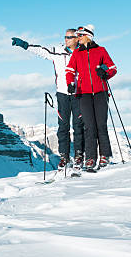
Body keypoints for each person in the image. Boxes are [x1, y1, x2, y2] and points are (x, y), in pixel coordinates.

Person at [12, 29, 84, 171]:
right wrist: (25, 45)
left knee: (78, 126)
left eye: (69, 37)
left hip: (79, 94)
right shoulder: (57, 51)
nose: (66, 39)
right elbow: (41, 50)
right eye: (65, 37)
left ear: (77, 39)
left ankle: (79, 156)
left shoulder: (83, 52)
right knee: (63, 126)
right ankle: (64, 157)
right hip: (62, 94)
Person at [66, 24, 117, 171]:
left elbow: (113, 68)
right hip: (83, 93)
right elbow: (69, 70)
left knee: (101, 124)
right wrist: (70, 83)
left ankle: (105, 156)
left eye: (80, 35)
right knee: (89, 126)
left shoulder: (100, 51)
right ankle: (90, 158)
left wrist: (105, 74)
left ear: (88, 35)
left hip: (100, 92)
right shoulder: (77, 53)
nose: (78, 38)